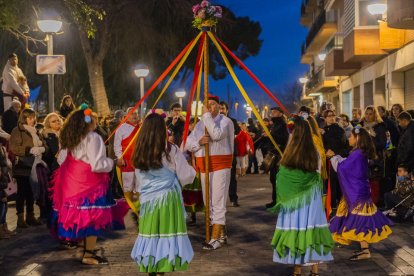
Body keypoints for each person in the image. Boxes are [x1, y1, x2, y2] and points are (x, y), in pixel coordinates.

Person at [52, 106, 128, 265]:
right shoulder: (93, 138)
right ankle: (89, 253)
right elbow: (97, 165)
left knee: (81, 218)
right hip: (90, 185)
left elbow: (61, 159)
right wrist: (111, 163)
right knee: (92, 218)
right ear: (89, 122)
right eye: (94, 119)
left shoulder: (71, 138)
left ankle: (82, 249)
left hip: (73, 183)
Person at [130, 112, 195, 275]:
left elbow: (139, 178)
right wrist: (193, 170)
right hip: (168, 199)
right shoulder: (170, 149)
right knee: (165, 234)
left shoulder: (139, 150)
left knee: (151, 233)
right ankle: (161, 270)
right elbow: (186, 175)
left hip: (148, 201)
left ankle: (151, 268)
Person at [270, 116, 334, 276]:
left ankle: (297, 270)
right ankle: (314, 270)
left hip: (294, 201)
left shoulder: (290, 153)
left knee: (297, 229)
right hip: (311, 198)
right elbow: (318, 174)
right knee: (310, 229)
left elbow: (282, 176)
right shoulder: (315, 151)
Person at [328, 126, 392, 260]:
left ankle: (365, 251)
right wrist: (337, 157)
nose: (348, 139)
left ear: (357, 138)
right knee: (360, 221)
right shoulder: (358, 152)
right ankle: (364, 250)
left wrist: (333, 157)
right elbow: (346, 164)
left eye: (350, 137)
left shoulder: (357, 154)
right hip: (358, 191)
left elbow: (343, 168)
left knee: (360, 221)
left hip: (356, 192)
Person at [184, 94, 234, 250]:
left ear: (219, 106)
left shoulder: (226, 122)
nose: (209, 108)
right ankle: (221, 233)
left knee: (218, 201)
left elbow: (216, 135)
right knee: (208, 202)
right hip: (204, 166)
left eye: (212, 105)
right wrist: (199, 142)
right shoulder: (200, 124)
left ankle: (215, 237)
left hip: (220, 165)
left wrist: (205, 116)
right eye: (207, 105)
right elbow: (188, 144)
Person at [10, 109, 45, 228]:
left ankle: (30, 216)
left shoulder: (36, 131)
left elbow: (43, 144)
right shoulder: (18, 130)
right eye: (29, 118)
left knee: (31, 191)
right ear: (24, 118)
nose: (32, 120)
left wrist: (42, 148)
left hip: (35, 165)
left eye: (33, 117)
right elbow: (14, 148)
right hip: (23, 166)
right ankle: (20, 218)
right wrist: (28, 150)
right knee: (22, 192)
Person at [323, 109, 349, 214]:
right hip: (326, 160)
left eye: (333, 115)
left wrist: (334, 153)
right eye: (329, 116)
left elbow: (344, 147)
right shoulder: (324, 130)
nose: (331, 117)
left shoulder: (339, 130)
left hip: (337, 160)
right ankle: (329, 205)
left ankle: (336, 206)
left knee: (336, 184)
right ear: (325, 118)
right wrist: (326, 151)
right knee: (327, 183)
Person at [114, 107, 140, 203]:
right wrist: (120, 157)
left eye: (136, 113)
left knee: (140, 184)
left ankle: (137, 207)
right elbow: (117, 145)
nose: (134, 115)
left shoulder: (142, 127)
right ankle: (129, 205)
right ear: (126, 116)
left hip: (140, 160)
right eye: (132, 113)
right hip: (127, 160)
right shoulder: (121, 128)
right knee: (128, 184)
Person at [265, 106, 289, 209]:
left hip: (280, 154)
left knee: (278, 178)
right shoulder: (274, 124)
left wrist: (271, 135)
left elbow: (284, 138)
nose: (273, 113)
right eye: (272, 112)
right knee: (273, 178)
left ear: (280, 113)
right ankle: (275, 199)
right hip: (273, 154)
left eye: (275, 112)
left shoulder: (283, 125)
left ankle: (280, 200)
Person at [219, 101, 241, 207]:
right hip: (218, 154)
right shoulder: (214, 121)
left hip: (230, 153)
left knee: (232, 177)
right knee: (219, 178)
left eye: (223, 108)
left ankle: (233, 198)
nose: (221, 111)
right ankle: (219, 201)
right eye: (219, 108)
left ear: (227, 110)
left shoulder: (232, 121)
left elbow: (238, 132)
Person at [0, 141, 15, 239]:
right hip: (1, 177)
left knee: (4, 204)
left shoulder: (2, 147)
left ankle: (4, 226)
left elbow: (6, 162)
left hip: (4, 177)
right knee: (1, 203)